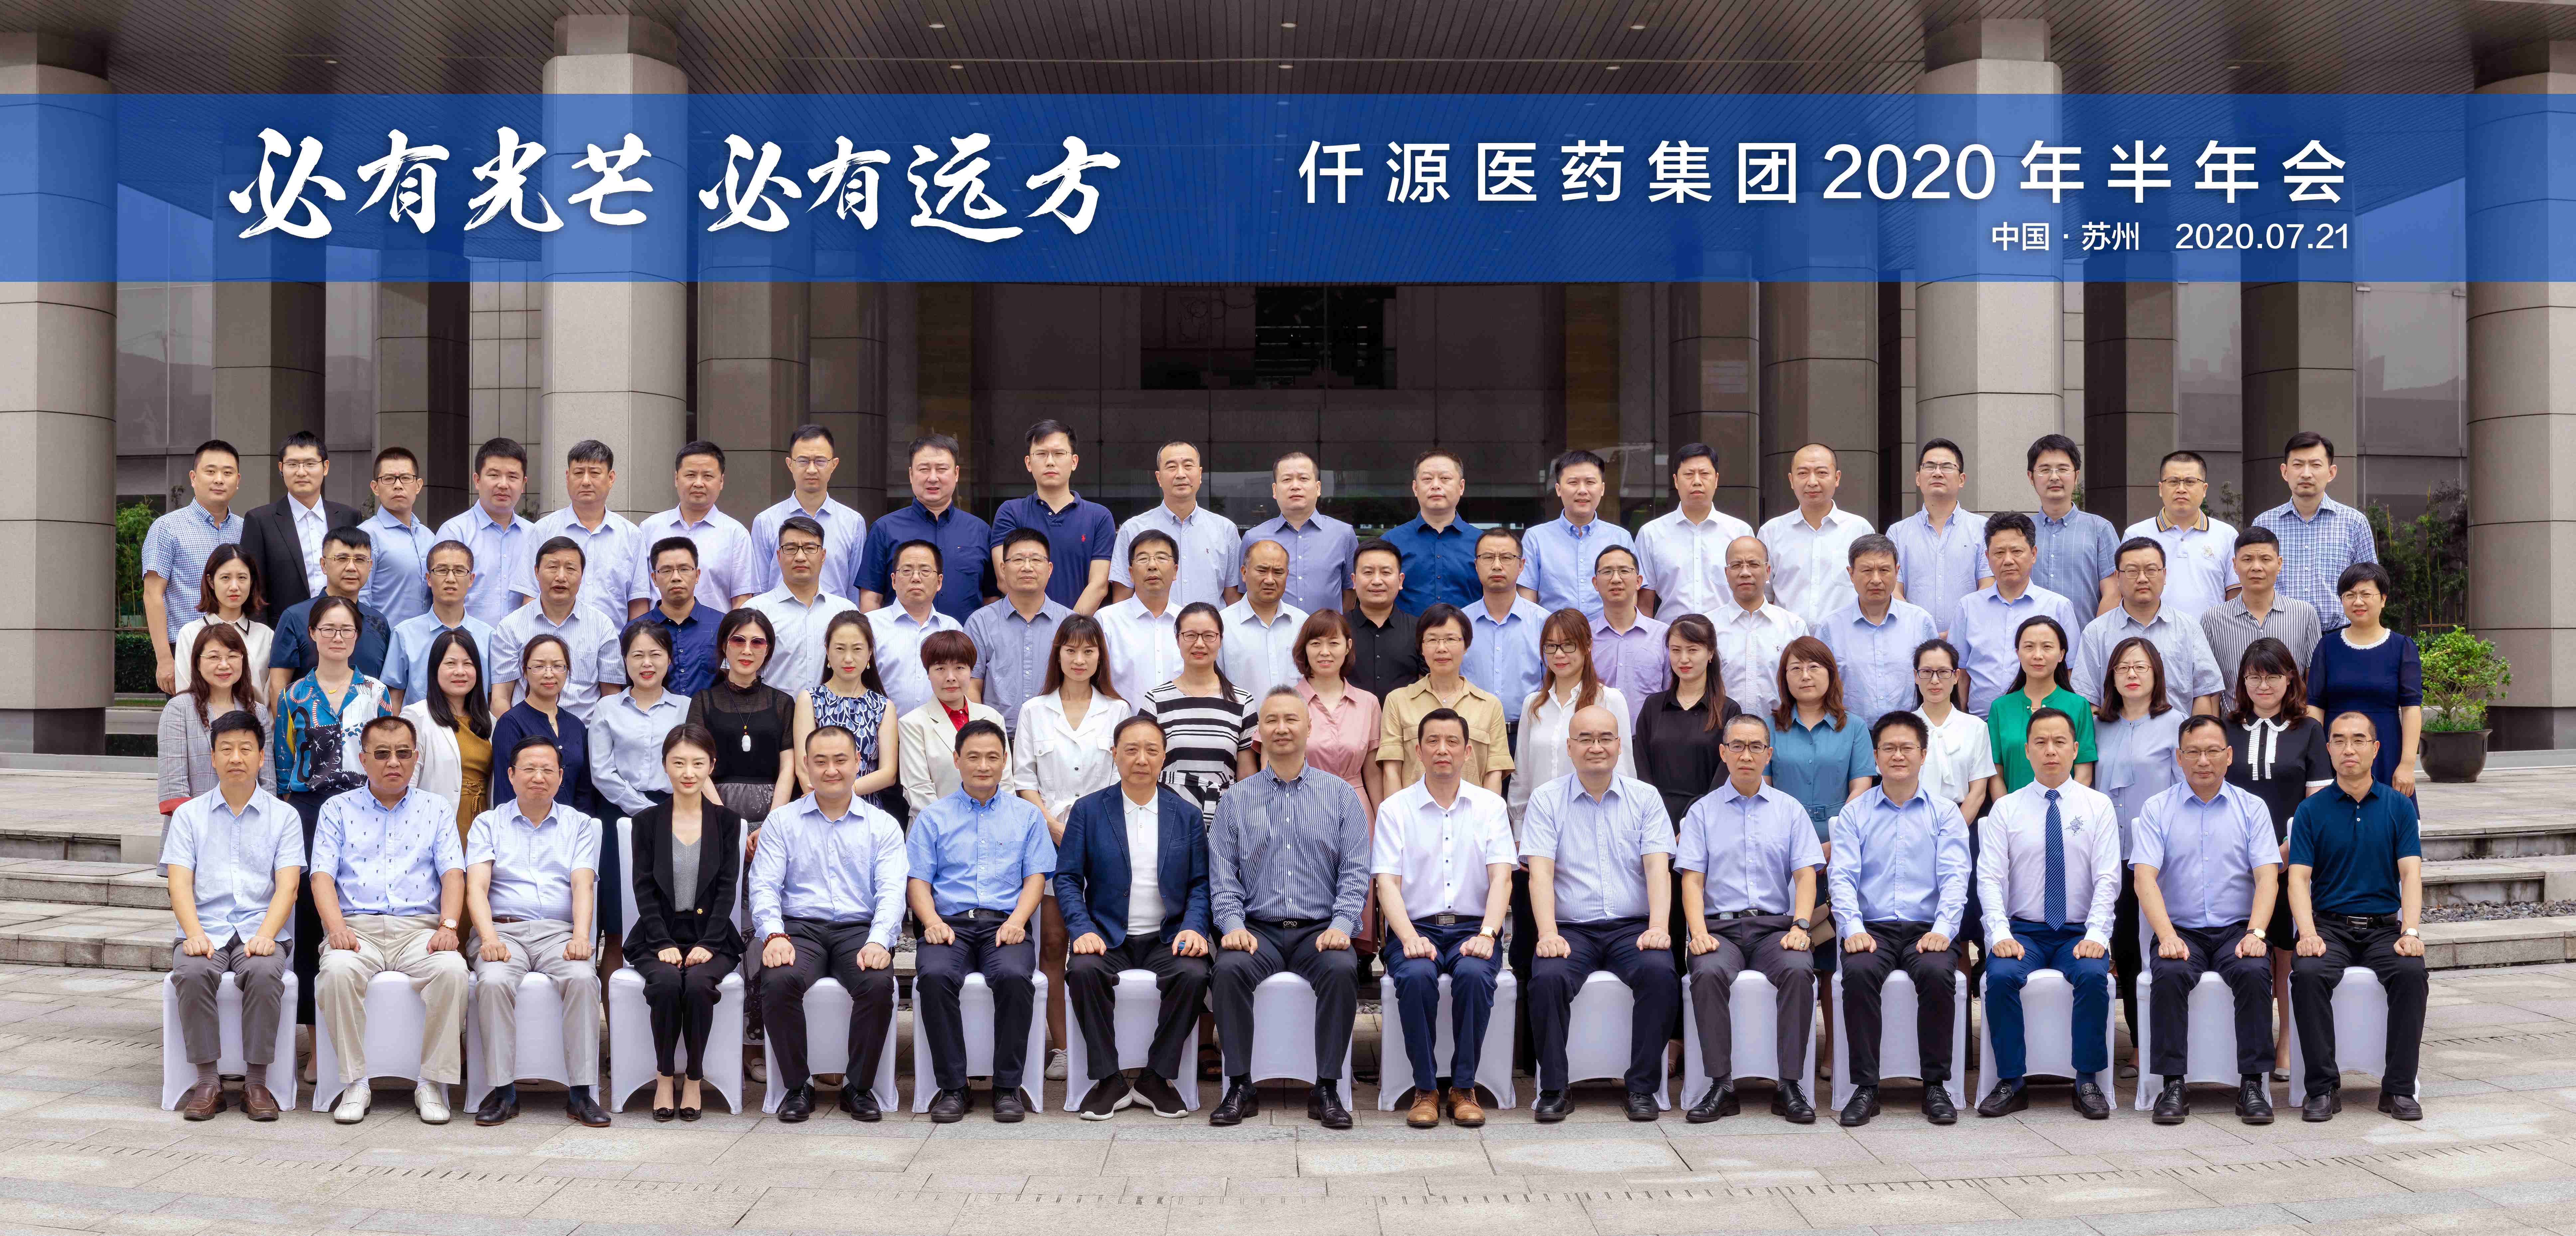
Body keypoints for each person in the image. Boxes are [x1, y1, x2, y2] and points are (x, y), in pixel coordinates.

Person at [1206, 688, 1371, 1129]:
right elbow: (1223, 877)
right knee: (1228, 969)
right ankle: (1240, 1085)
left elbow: (1355, 872)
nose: (1281, 728)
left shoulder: (1340, 796)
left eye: (1291, 719)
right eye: (1272, 720)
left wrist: (1342, 924)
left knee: (1341, 968)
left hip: (1319, 929)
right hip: (1257, 929)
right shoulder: (1235, 799)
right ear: (1259, 731)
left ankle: (1326, 1087)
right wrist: (1233, 924)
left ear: (1308, 727)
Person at [1521, 704, 1679, 1122]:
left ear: (1619, 745)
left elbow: (1657, 868)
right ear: (1569, 747)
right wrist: (1547, 933)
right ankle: (1555, 1088)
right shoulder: (1546, 799)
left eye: (1605, 738)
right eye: (1586, 739)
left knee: (1660, 973)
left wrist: (1658, 926)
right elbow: (1540, 874)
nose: (1596, 747)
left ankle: (1641, 1087)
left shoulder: (1644, 798)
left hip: (1631, 928)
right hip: (1571, 929)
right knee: (1547, 977)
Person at [311, 716, 469, 1125]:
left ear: (416, 757)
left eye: (402, 753)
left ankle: (431, 1082)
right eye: (382, 754)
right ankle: (355, 1082)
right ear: (363, 759)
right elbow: (321, 876)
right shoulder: (337, 809)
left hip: (419, 931)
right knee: (336, 972)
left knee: (453, 971)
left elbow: (454, 873)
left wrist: (449, 926)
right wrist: (336, 929)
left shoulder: (436, 808)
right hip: (356, 930)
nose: (393, 762)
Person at [1057, 714, 1212, 1120]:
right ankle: (1108, 1079)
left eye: (1151, 750)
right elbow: (1067, 878)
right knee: (1083, 971)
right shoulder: (1089, 811)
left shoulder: (1186, 814)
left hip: (1166, 936)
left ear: (1164, 757)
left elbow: (1200, 882)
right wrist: (1082, 928)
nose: (1141, 759)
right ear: (1114, 754)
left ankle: (1155, 1078)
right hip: (1107, 935)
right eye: (1131, 750)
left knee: (1194, 974)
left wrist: (1193, 927)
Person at [750, 725, 907, 1122]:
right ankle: (796, 1086)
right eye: (820, 761)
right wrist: (773, 934)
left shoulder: (882, 825)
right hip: (800, 929)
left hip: (858, 929)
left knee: (877, 984)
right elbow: (764, 885)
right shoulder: (782, 822)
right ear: (806, 765)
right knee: (778, 980)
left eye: (840, 760)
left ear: (858, 762)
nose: (831, 770)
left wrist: (880, 940)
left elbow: (892, 891)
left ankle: (858, 1087)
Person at [2133, 715, 2281, 1126]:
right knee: (2168, 973)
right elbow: (2144, 878)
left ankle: (2252, 1085)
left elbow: (2267, 877)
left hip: (2237, 929)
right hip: (2180, 930)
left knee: (2254, 970)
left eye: (2213, 751)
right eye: (2193, 752)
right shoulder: (2156, 809)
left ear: (2229, 755)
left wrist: (2256, 932)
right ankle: (2172, 1085)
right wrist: (2166, 935)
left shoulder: (2251, 808)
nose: (2203, 761)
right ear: (2178, 757)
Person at [1676, 712, 1823, 1125]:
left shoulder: (1789, 810)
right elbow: (1691, 880)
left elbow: (1805, 875)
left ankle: (1789, 1085)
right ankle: (1721, 1085)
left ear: (1768, 754)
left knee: (1798, 969)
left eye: (1755, 746)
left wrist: (1800, 926)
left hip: (1774, 929)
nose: (1746, 755)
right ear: (1723, 752)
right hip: (1719, 929)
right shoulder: (1702, 812)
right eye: (1737, 746)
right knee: (1706, 971)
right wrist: (1697, 932)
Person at [907, 719, 1055, 1122]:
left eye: (992, 756)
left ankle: (1007, 1087)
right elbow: (917, 880)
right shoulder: (933, 817)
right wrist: (931, 921)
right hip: (949, 923)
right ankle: (953, 1087)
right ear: (956, 759)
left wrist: (1018, 921)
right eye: (973, 756)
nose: (983, 765)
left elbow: (1036, 877)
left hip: (1004, 923)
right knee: (934, 976)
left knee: (1014, 977)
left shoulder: (1027, 816)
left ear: (1005, 760)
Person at [1977, 708, 2122, 1122]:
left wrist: (2097, 934)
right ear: (2026, 751)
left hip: (2077, 930)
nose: (2050, 751)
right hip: (2022, 931)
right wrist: (1999, 934)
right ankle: (2011, 1081)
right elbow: (1989, 878)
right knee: (2000, 977)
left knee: (2093, 976)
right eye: (2040, 743)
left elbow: (2108, 877)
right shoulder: (2006, 808)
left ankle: (2087, 1080)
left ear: (2075, 749)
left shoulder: (2097, 806)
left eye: (2059, 742)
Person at [1828, 712, 1971, 1127]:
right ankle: (1865, 1087)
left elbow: (1955, 876)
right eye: (1888, 748)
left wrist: (1943, 930)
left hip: (1927, 929)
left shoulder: (1944, 813)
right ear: (1875, 756)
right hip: (1872, 929)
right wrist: (1852, 929)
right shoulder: (1855, 813)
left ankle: (1935, 1085)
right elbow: (1841, 877)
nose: (1897, 755)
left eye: (1906, 747)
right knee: (1857, 973)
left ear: (1923, 755)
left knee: (1937, 974)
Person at [1374, 708, 1515, 1129]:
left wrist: (1488, 933)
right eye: (1432, 741)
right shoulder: (1395, 809)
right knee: (1416, 975)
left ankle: (1463, 1088)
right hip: (1415, 926)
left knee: (1473, 975)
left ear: (1468, 751)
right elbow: (1386, 884)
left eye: (1452, 741)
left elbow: (1502, 878)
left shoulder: (1490, 806)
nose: (1442, 750)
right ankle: (1425, 1089)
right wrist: (1408, 937)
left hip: (1473, 926)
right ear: (1417, 751)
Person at [2287, 711, 2428, 1122]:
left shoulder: (2398, 807)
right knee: (2308, 973)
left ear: (2375, 748)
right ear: (2328, 749)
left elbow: (2410, 874)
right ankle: (2321, 1088)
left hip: (2383, 927)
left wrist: (2410, 930)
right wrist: (2307, 933)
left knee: (2411, 972)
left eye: (2358, 740)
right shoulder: (2311, 810)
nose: (2348, 749)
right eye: (2339, 740)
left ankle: (2398, 1088)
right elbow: (2297, 879)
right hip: (2329, 927)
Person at [464, 735, 609, 1128]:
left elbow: (583, 884)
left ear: (561, 776)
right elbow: (476, 887)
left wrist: (582, 936)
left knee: (583, 978)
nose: (538, 777)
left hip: (558, 933)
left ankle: (581, 1093)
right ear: (511, 775)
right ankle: (503, 1092)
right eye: (529, 769)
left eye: (548, 769)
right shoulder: (488, 823)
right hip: (503, 932)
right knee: (493, 981)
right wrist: (488, 938)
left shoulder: (579, 824)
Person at [162, 710, 299, 1122]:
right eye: (226, 749)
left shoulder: (284, 816)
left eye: (245, 748)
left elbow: (288, 886)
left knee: (264, 972)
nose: (236, 757)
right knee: (191, 971)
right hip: (205, 927)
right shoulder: (189, 815)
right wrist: (193, 933)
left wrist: (267, 934)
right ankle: (208, 1083)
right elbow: (179, 884)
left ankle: (257, 1083)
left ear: (261, 757)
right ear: (213, 758)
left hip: (260, 927)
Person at [1014, 614, 1134, 1084]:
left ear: (1100, 656)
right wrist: (1052, 825)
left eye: (1088, 650)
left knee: (1101, 939)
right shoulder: (1034, 710)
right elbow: (1024, 779)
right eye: (1071, 650)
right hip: (1046, 838)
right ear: (1058, 655)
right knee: (1053, 941)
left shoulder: (1118, 711)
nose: (1079, 659)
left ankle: (1101, 1040)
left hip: (1104, 839)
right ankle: (1061, 1045)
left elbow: (1124, 778)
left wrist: (1082, 832)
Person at [273, 594, 393, 1028]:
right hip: (310, 810)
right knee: (309, 916)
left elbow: (388, 755)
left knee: (357, 906)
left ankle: (367, 1025)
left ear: (357, 636)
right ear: (312, 634)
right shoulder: (294, 696)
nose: (337, 637)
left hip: (364, 809)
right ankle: (314, 1036)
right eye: (328, 629)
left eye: (346, 630)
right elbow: (284, 762)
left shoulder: (375, 693)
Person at [624, 724, 743, 1122]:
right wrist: (662, 942)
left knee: (697, 985)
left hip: (713, 937)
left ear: (712, 765)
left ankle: (693, 1077)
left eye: (697, 763)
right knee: (664, 983)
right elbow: (643, 888)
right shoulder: (646, 822)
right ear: (665, 766)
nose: (688, 772)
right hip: (656, 936)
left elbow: (727, 887)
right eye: (678, 763)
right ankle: (664, 1076)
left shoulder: (727, 822)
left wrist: (709, 943)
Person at [2226, 636, 2334, 1075]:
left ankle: (2287, 1041)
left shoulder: (2308, 729)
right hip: (2234, 862)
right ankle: (2246, 1043)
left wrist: (2283, 853)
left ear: (2290, 678)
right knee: (2246, 948)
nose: (2263, 684)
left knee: (2286, 952)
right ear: (2242, 681)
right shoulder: (2227, 728)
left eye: (2272, 675)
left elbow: (2316, 804)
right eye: (2254, 676)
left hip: (2291, 860)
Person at [487, 634, 616, 962]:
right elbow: (507, 791)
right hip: (526, 836)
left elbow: (584, 790)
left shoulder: (576, 726)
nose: (549, 673)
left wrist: (581, 832)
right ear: (524, 671)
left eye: (558, 666)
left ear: (568, 671)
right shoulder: (511, 722)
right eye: (539, 666)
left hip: (571, 837)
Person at [2093, 636, 2182, 1046]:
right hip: (2107, 854)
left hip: (2157, 858)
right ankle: (2138, 1043)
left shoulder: (2176, 723)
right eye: (2123, 667)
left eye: (2140, 667)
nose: (2131, 674)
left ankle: (2166, 1040)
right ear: (2111, 675)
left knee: (2158, 945)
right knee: (2126, 948)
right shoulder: (2097, 725)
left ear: (2155, 674)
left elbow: (2184, 791)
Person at [2307, 563, 2424, 798]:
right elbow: (2315, 707)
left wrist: (2407, 764)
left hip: (2386, 752)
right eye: (2350, 595)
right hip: (2337, 753)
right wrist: (2318, 760)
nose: (2358, 602)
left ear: (2383, 599)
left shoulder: (2402, 647)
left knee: (2388, 816)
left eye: (2366, 594)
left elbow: (2411, 709)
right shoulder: (2327, 646)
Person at [2074, 538, 2226, 717]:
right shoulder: (2096, 632)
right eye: (2132, 571)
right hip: (2115, 734)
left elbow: (2203, 693)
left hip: (2178, 734)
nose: (2142, 579)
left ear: (2164, 574)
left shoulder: (2189, 628)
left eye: (2151, 571)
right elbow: (2088, 700)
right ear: (2118, 577)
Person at [1510, 609, 1635, 824]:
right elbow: (1522, 776)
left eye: (1568, 645)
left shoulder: (1609, 700)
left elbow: (1624, 772)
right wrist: (1520, 828)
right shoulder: (1533, 704)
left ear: (1588, 646)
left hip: (1595, 823)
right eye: (1551, 646)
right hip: (1540, 825)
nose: (1559, 654)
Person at [1954, 512, 2087, 715]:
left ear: (2033, 554)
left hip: (2044, 724)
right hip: (1981, 724)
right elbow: (1961, 673)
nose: (2008, 560)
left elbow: (2070, 671)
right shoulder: (1968, 607)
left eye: (2017, 551)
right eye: (1999, 553)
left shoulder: (2058, 607)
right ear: (1988, 558)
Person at [144, 440, 247, 694]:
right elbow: (153, 594)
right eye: (210, 471)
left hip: (237, 652)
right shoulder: (168, 527)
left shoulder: (246, 529)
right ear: (193, 477)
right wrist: (164, 659)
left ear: (238, 480)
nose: (219, 479)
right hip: (187, 651)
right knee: (190, 717)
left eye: (227, 472)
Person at [1142, 603, 1259, 822]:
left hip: (1225, 819)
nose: (1199, 644)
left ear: (1220, 640)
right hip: (1168, 817)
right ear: (1178, 639)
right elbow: (1144, 767)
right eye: (1190, 635)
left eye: (1209, 636)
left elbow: (1247, 777)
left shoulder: (1242, 702)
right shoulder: (1156, 700)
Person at [2253, 432, 2380, 634]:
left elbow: (2371, 586)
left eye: (2315, 465)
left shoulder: (2354, 522)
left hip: (2339, 635)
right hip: (2278, 635)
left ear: (2331, 472)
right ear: (2285, 472)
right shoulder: (2264, 524)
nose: (2306, 474)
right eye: (2298, 465)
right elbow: (2253, 584)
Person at [1380, 603, 1513, 794]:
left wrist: (1488, 814)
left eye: (1451, 639)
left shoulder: (1490, 706)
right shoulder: (1397, 702)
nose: (1441, 648)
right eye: (1432, 640)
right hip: (1414, 812)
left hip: (1472, 812)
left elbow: (1494, 775)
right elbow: (1391, 772)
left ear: (1466, 646)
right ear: (1421, 648)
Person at [857, 434, 991, 621]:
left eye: (942, 469)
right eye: (924, 469)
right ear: (911, 474)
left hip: (965, 639)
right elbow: (871, 599)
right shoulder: (884, 529)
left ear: (956, 474)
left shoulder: (980, 531)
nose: (933, 478)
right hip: (899, 639)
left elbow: (991, 600)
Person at [987, 419, 1114, 614]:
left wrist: (1067, 628)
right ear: (1029, 463)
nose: (1050, 461)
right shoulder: (1011, 512)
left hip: (1076, 629)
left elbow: (1098, 586)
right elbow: (1005, 579)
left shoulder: (1099, 517)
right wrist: (1042, 623)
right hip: (1022, 625)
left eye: (1059, 454)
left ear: (1074, 462)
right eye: (1041, 454)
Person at [686, 609, 799, 824]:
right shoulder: (703, 701)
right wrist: (725, 821)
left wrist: (773, 822)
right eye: (738, 640)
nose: (747, 650)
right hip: (715, 813)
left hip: (774, 814)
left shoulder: (783, 703)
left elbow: (788, 769)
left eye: (757, 642)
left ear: (768, 650)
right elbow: (696, 764)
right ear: (724, 645)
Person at [237, 430, 361, 626]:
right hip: (283, 631)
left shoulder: (349, 517)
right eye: (293, 464)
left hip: (342, 631)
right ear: (281, 468)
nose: (302, 472)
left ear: (325, 467)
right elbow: (254, 589)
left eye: (310, 464)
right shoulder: (260, 521)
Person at [513, 440, 643, 625]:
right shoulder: (543, 530)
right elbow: (530, 596)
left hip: (614, 643)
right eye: (579, 473)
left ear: (611, 478)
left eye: (595, 473)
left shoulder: (631, 535)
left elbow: (638, 604)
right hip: (552, 641)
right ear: (568, 477)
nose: (586, 481)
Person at [490, 537, 623, 716]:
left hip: (585, 730)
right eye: (553, 567)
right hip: (527, 731)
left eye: (571, 569)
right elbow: (501, 698)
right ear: (536, 572)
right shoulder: (511, 627)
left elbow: (611, 697)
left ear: (582, 575)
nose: (561, 577)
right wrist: (514, 732)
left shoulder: (602, 626)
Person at [1818, 534, 1939, 730]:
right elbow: (1820, 688)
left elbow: (1937, 679)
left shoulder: (1920, 622)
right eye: (1867, 571)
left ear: (1897, 572)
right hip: (1849, 732)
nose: (1876, 580)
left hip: (1910, 732)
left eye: (1884, 570)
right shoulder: (1831, 627)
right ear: (1851, 574)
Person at [627, 440, 757, 618]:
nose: (699, 483)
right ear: (676, 478)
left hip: (714, 633)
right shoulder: (649, 528)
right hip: (656, 633)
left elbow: (742, 599)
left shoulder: (736, 534)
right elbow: (640, 596)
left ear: (721, 481)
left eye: (708, 476)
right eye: (691, 475)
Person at [2200, 526, 2323, 714]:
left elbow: (2312, 683)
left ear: (2279, 563)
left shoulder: (2304, 614)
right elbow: (2210, 689)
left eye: (2265, 559)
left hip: (2291, 724)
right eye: (2247, 560)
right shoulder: (2213, 619)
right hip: (2235, 724)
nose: (2256, 567)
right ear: (2235, 565)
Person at [267, 527, 393, 703]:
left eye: (360, 560)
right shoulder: (295, 618)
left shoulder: (379, 623)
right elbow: (278, 686)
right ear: (324, 565)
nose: (351, 567)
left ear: (370, 566)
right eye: (342, 559)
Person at [159, 624, 275, 815]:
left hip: (250, 823)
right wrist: (203, 825)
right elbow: (174, 787)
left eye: (232, 656)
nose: (224, 665)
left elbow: (268, 783)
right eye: (214, 657)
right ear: (198, 663)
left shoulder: (258, 712)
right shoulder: (179, 709)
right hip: (195, 825)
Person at [1108, 441, 1240, 609]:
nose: (1180, 474)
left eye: (1188, 466)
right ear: (1159, 478)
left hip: (1209, 626)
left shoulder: (1226, 530)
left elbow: (1233, 601)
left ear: (1200, 474)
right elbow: (1121, 602)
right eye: (1171, 467)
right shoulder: (1133, 530)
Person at [795, 611, 903, 814]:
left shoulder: (884, 707)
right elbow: (803, 767)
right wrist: (827, 799)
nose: (848, 658)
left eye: (857, 649)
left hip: (867, 811)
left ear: (870, 653)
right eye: (840, 649)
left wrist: (844, 792)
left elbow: (889, 773)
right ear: (827, 651)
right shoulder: (809, 700)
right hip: (817, 808)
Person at [966, 527, 1072, 735]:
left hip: (1057, 738)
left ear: (1050, 569)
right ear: (1003, 569)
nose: (1027, 567)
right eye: (1018, 560)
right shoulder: (980, 622)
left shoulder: (1068, 623)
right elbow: (972, 685)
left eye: (1036, 560)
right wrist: (982, 736)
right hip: (998, 740)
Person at [1770, 636, 1876, 841]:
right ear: (1785, 677)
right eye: (1796, 669)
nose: (1805, 676)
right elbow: (1763, 791)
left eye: (1814, 667)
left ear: (1831, 673)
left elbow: (1861, 789)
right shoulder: (1769, 728)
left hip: (1841, 835)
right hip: (1781, 835)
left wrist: (1838, 840)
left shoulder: (1855, 727)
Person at [748, 424, 867, 604]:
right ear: (790, 464)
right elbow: (761, 590)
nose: (812, 470)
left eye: (820, 461)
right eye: (803, 461)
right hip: (778, 620)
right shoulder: (765, 522)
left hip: (837, 620)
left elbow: (854, 594)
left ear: (834, 465)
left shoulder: (854, 523)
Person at [1760, 444, 1875, 628]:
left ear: (1837, 478)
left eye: (1822, 473)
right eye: (1803, 473)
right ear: (1791, 480)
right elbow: (1765, 596)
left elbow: (1871, 590)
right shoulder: (1771, 532)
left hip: (1845, 638)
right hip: (1788, 639)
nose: (1812, 482)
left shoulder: (1860, 530)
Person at [899, 630, 1013, 812]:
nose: (951, 677)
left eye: (960, 668)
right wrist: (959, 824)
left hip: (995, 824)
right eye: (940, 669)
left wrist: (993, 822)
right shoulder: (913, 724)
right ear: (928, 673)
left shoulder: (993, 717)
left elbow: (1005, 783)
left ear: (971, 671)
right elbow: (918, 790)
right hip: (937, 826)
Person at [1637, 442, 1753, 620]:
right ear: (1676, 481)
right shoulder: (1651, 534)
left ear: (1716, 480)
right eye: (1689, 474)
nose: (1697, 481)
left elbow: (1752, 595)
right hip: (1670, 633)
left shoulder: (1740, 532)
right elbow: (1645, 602)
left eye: (1705, 474)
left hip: (1727, 634)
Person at [1889, 439, 1992, 637]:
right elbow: (1894, 590)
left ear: (1962, 480)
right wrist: (1922, 630)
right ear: (1918, 478)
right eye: (1930, 466)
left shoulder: (1983, 529)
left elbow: (1987, 588)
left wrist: (1955, 632)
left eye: (1947, 467)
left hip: (1968, 639)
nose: (1937, 473)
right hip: (1914, 638)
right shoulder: (1898, 533)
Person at [589, 620, 692, 820]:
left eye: (656, 655)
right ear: (625, 660)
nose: (647, 663)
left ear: (669, 660)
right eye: (638, 655)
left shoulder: (686, 708)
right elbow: (601, 772)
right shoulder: (607, 707)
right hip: (617, 809)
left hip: (675, 809)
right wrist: (646, 809)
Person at [1518, 449, 1637, 621]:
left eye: (1590, 482)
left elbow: (1631, 595)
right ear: (1558, 489)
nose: (1582, 490)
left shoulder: (1621, 538)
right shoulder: (1535, 538)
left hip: (1609, 635)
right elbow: (1527, 600)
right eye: (1573, 482)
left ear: (1602, 489)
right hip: (1553, 636)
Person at [747, 515, 861, 692]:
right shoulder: (756, 611)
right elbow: (739, 675)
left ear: (823, 556)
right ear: (779, 556)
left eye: (810, 548)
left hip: (834, 710)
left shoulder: (846, 611)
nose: (800, 557)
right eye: (791, 549)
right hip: (772, 710)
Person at [2124, 450, 2239, 623]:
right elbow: (2124, 592)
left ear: (2204, 489)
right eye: (2173, 482)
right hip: (2150, 636)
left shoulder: (2227, 535)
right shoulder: (2136, 534)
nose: (2181, 489)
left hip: (2211, 636)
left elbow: (2235, 596)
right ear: (2161, 489)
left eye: (2190, 482)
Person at [1987, 616, 2098, 795]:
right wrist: (2007, 809)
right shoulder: (2000, 708)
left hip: (2065, 809)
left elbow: (2084, 774)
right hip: (2013, 811)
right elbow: (1995, 775)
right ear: (2018, 653)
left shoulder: (2079, 706)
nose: (2038, 655)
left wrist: (2059, 807)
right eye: (2029, 647)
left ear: (2062, 654)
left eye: (2047, 647)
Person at [380, 540, 498, 708]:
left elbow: (493, 697)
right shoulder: (405, 634)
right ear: (429, 579)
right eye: (442, 571)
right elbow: (394, 697)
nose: (451, 579)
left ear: (471, 579)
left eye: (459, 571)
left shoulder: (488, 637)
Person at [401, 628, 493, 842]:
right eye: (451, 664)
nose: (460, 672)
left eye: (468, 664)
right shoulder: (417, 716)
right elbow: (407, 786)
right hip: (432, 828)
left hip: (481, 827)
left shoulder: (490, 721)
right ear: (435, 669)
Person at [434, 438, 535, 628]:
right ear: (477, 480)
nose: (503, 485)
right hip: (465, 642)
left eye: (512, 477)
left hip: (520, 644)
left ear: (523, 484)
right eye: (494, 475)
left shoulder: (533, 535)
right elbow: (441, 597)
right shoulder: (455, 532)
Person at [1294, 609, 1384, 815]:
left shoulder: (1368, 703)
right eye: (1316, 644)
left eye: (1334, 643)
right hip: (1302, 808)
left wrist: (1383, 821)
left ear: (1348, 646)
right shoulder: (1287, 702)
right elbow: (1270, 769)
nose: (1325, 652)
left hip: (1356, 808)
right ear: (1305, 648)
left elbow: (1373, 773)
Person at [1246, 450, 1357, 616]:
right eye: (1287, 480)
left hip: (1327, 632)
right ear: (1275, 490)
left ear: (1318, 488)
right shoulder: (1253, 538)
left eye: (1303, 479)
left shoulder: (1344, 535)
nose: (1295, 486)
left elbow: (1351, 592)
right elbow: (1245, 595)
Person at [1462, 528, 1549, 735]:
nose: (1497, 565)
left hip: (1529, 733)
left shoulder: (1544, 622)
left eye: (1507, 558)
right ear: (1476, 565)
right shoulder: (1460, 623)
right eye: (1488, 557)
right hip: (1472, 734)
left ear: (1521, 566)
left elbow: (1554, 683)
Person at [867, 539, 967, 719]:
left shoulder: (953, 628)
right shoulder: (871, 625)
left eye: (925, 571)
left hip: (940, 732)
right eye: (907, 571)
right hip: (881, 731)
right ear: (894, 580)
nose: (916, 578)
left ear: (939, 582)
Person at [2023, 434, 2121, 616]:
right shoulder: (2021, 531)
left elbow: (2113, 592)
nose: (2054, 477)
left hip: (2085, 633)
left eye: (2063, 469)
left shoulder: (2100, 529)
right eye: (2045, 470)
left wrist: (2094, 634)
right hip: (2027, 634)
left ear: (2076, 476)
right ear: (2031, 477)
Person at [1712, 536, 1808, 721]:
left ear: (1768, 571)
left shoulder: (1793, 627)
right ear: (1727, 573)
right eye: (1737, 565)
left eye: (1754, 564)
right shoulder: (1709, 627)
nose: (1745, 573)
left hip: (1780, 731)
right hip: (1720, 731)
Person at [1383, 448, 1481, 613]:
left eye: (1445, 479)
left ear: (1461, 487)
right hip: (1408, 631)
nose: (1436, 486)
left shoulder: (1482, 544)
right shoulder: (1390, 543)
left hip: (1469, 630)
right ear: (1415, 488)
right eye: (1428, 479)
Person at [1098, 530, 1186, 704]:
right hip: (1125, 721)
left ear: (1175, 571)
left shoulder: (1189, 622)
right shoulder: (1107, 621)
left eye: (1161, 558)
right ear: (1131, 573)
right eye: (1143, 559)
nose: (1152, 566)